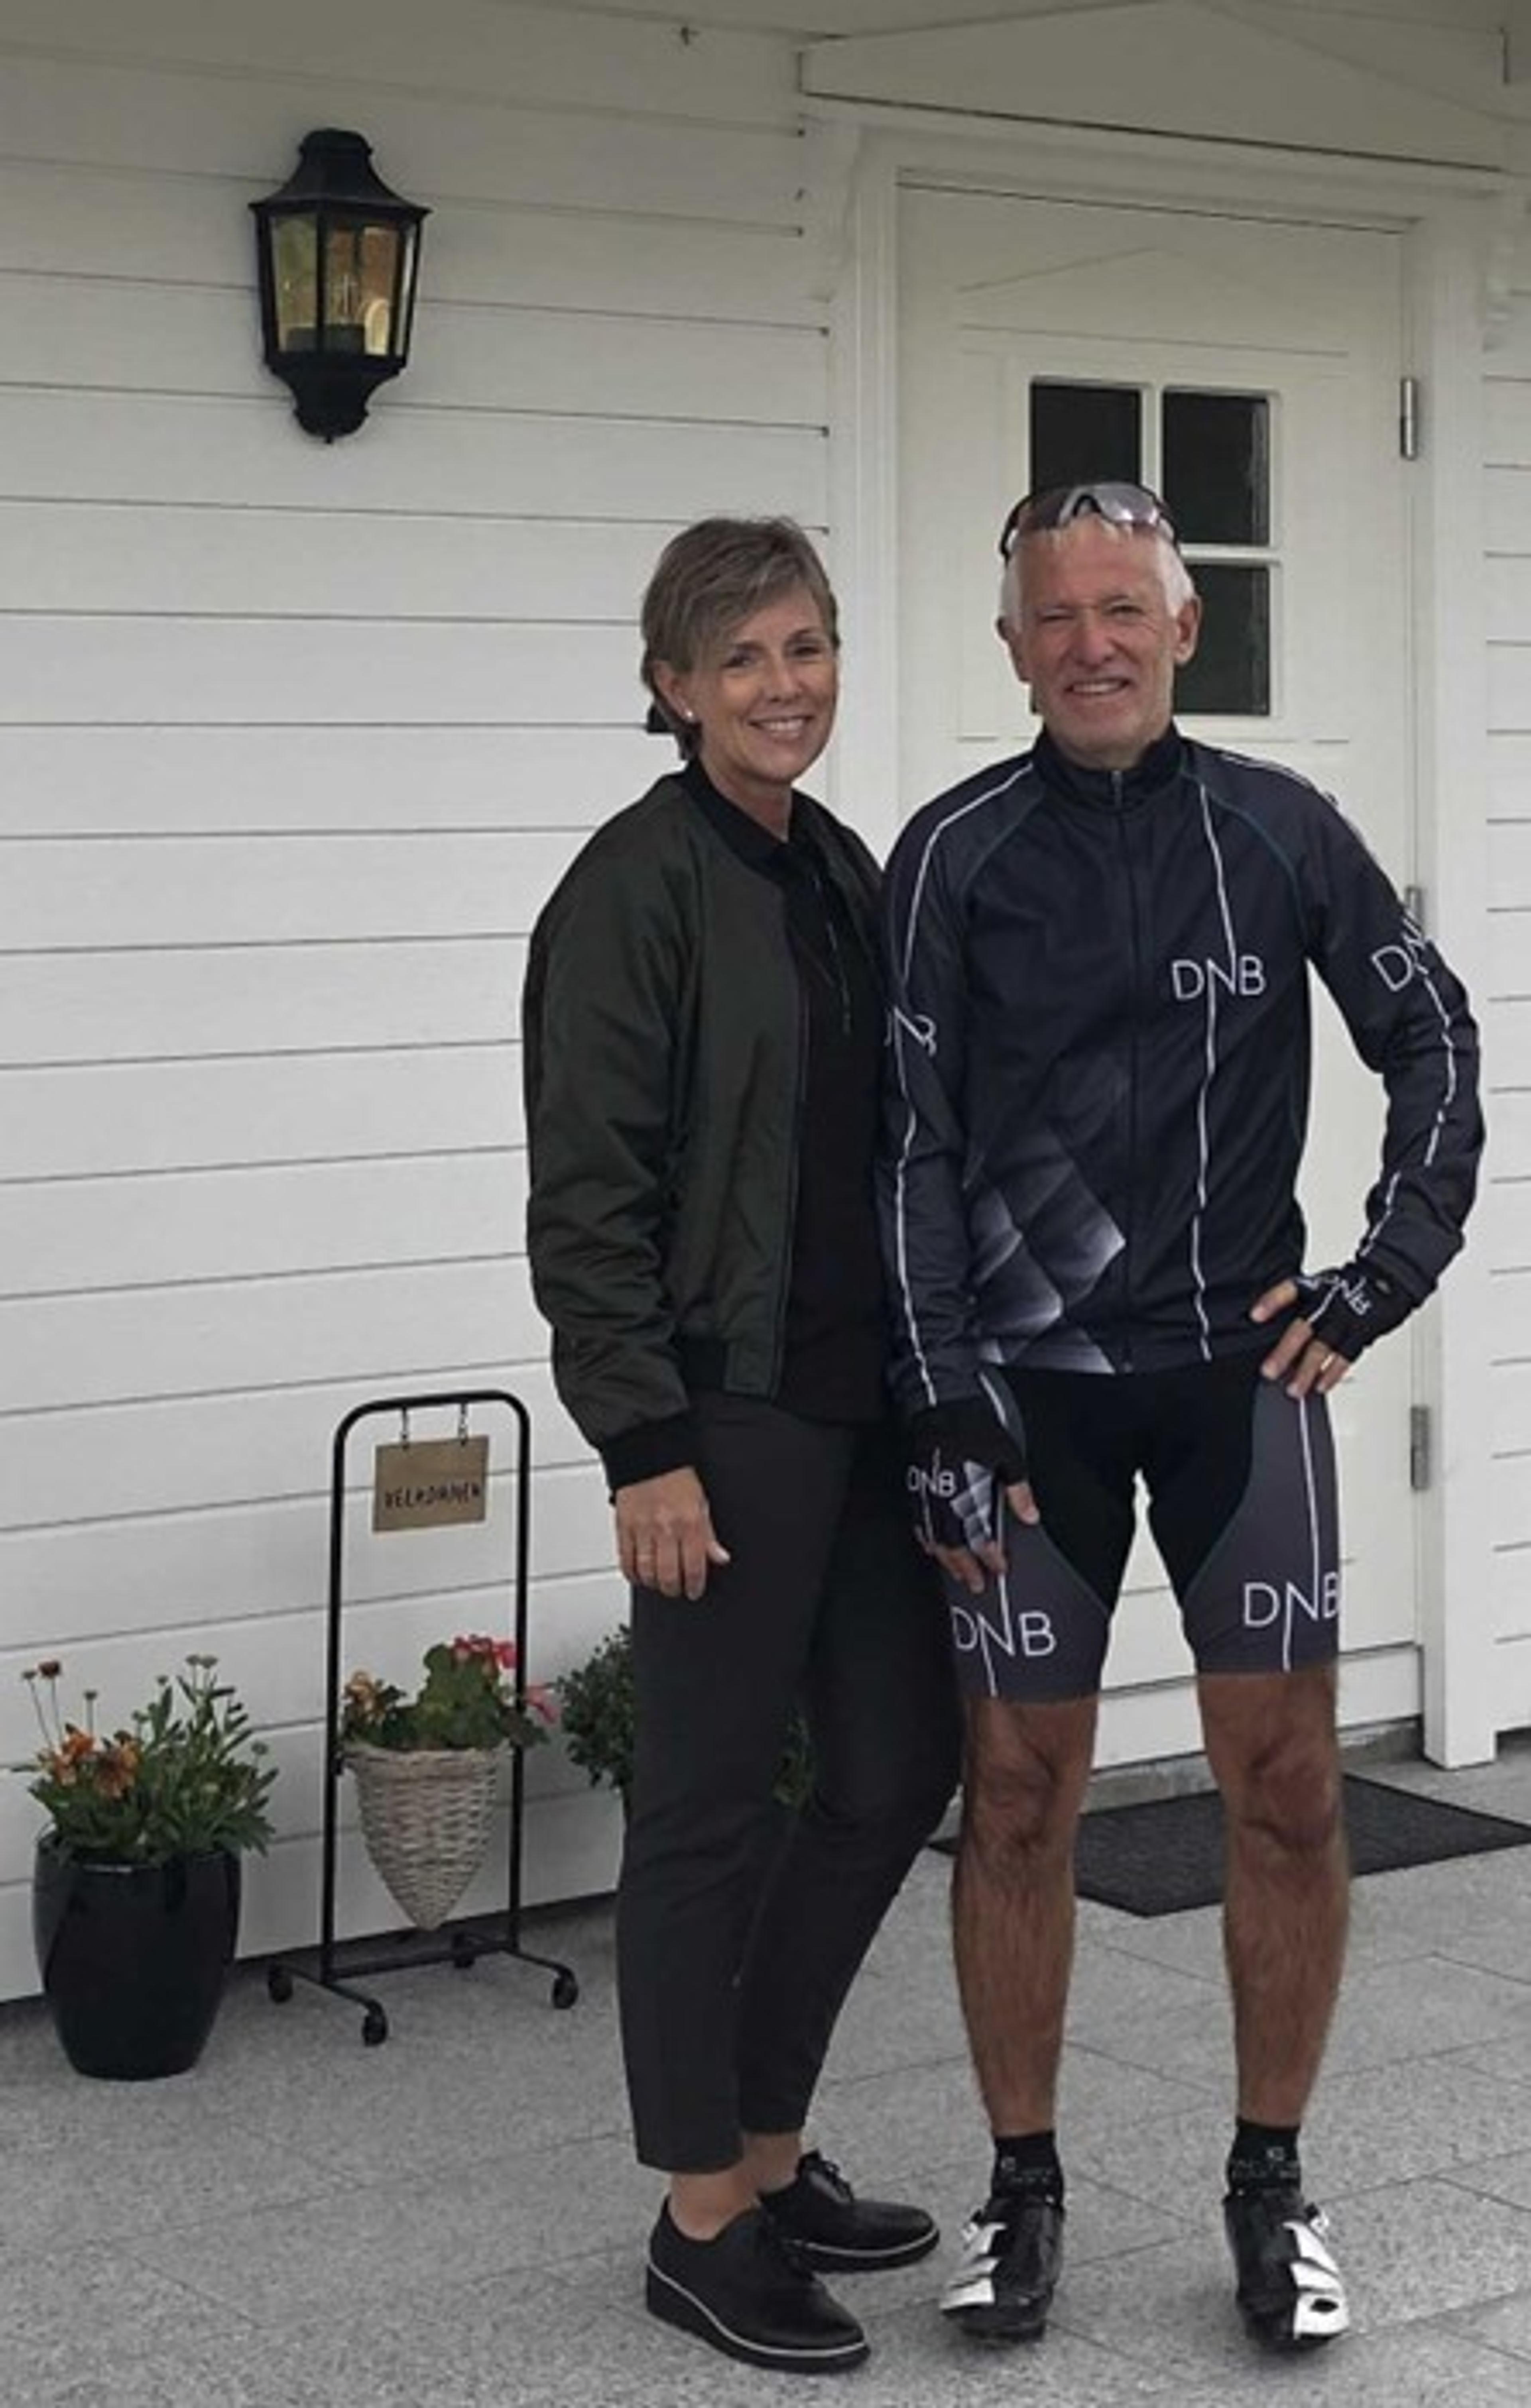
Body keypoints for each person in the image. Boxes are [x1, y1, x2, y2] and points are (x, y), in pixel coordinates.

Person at [880, 481, 1483, 2355]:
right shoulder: (951, 853)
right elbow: (904, 1149)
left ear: (1185, 625)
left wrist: (1380, 1277)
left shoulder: (1281, 831)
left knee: (1289, 1791)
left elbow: (1435, 1040)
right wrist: (938, 1390)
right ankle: (1023, 2188)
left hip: (1241, 1388)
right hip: (1023, 1403)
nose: (1093, 644)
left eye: (1124, 608)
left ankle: (1271, 2184)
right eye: (1056, 615)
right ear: (1009, 645)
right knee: (1015, 1796)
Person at [523, 516, 960, 2377]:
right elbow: (588, 1189)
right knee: (704, 1805)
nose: (787, 685)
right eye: (745, 657)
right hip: (724, 1410)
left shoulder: (835, 867)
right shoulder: (636, 888)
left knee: (895, 1765)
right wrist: (643, 1440)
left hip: (859, 1407)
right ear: (673, 686)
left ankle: (768, 2147)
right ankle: (700, 2218)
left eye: (808, 646)